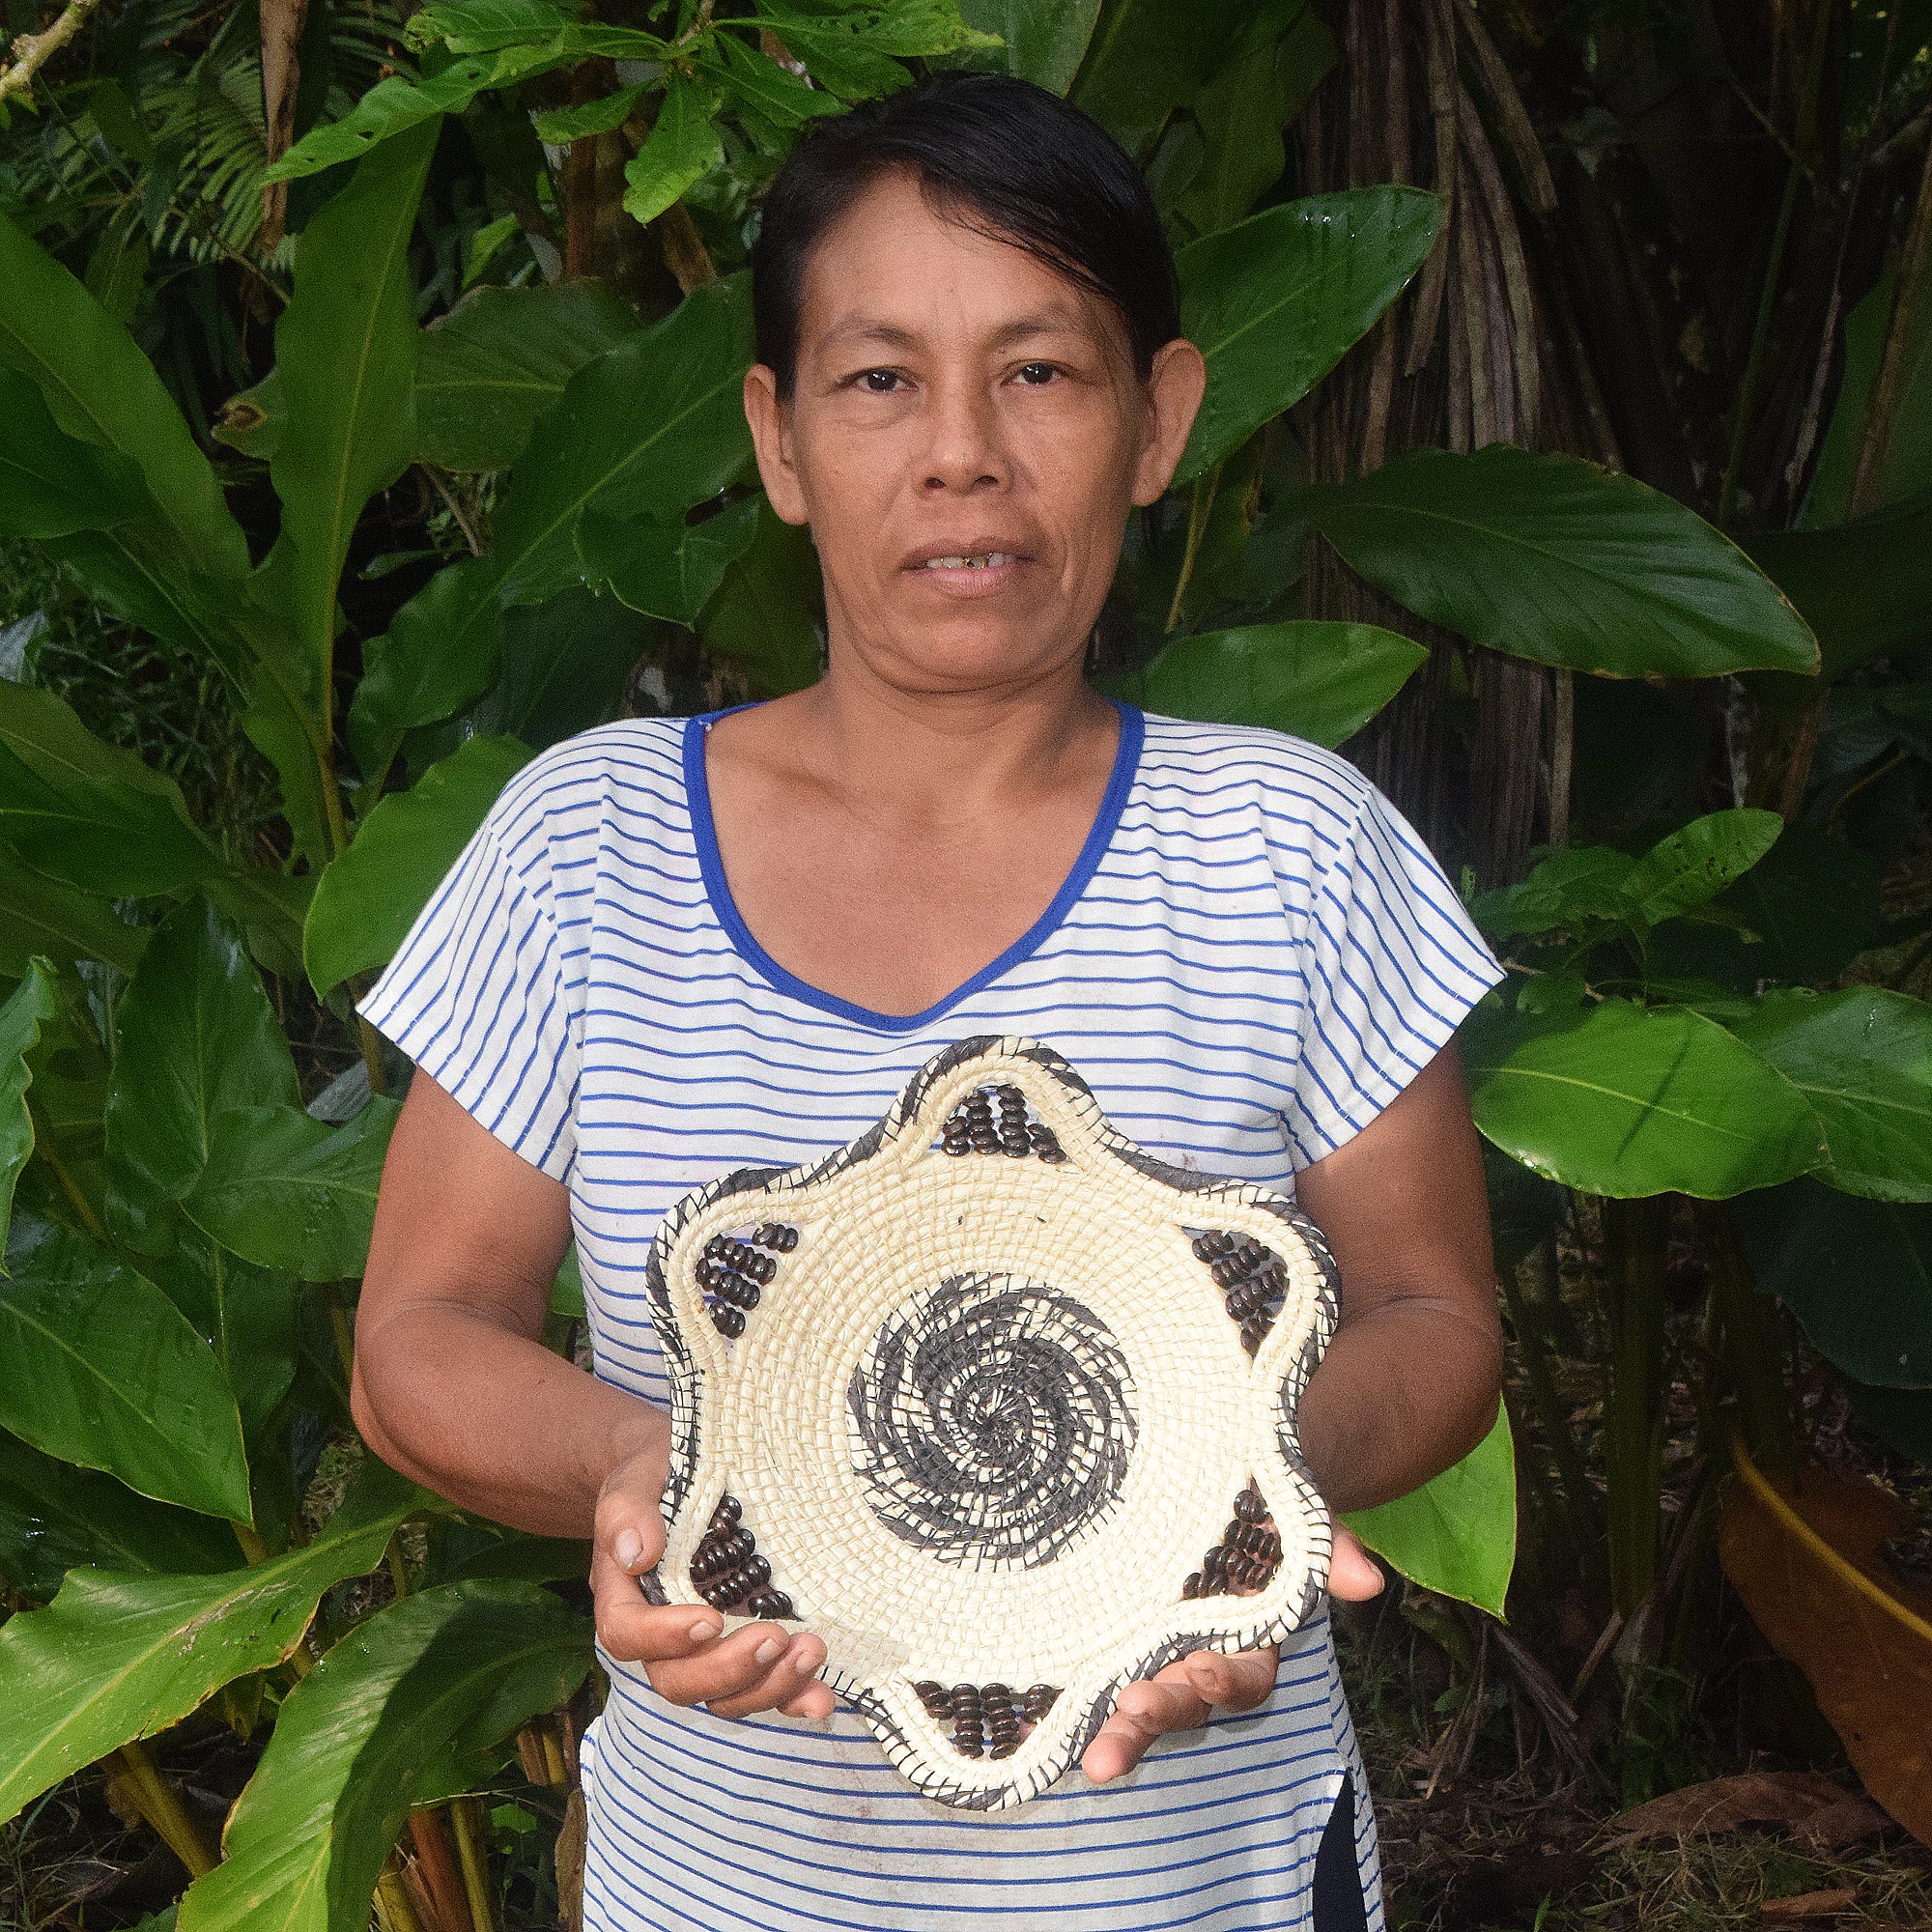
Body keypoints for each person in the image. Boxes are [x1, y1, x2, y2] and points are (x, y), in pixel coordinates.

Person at [354, 71, 1504, 1932]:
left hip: (1202, 1885)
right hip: (725, 1889)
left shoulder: (1289, 848)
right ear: (781, 438)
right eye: (881, 378)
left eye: (1041, 372)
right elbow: (418, 1331)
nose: (963, 451)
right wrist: (668, 1475)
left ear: (1162, 417)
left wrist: (1224, 1514)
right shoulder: (588, 848)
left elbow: (1438, 1311)